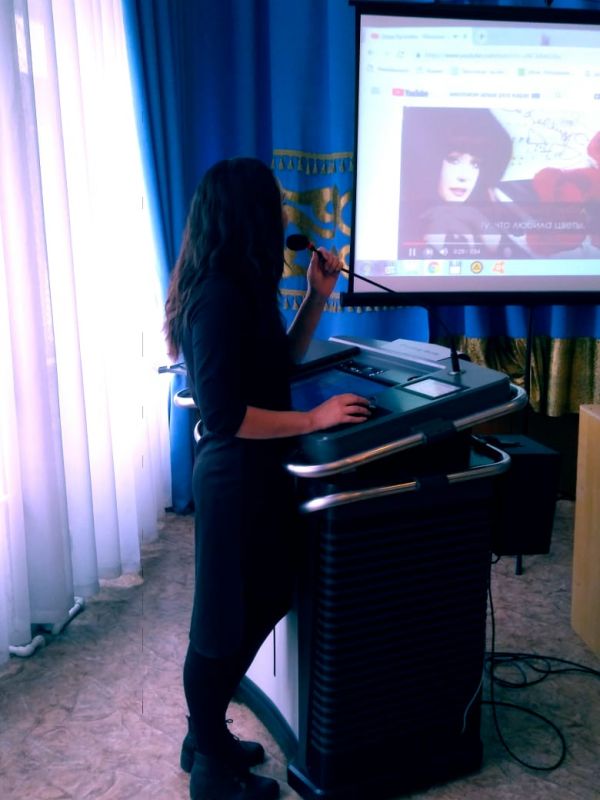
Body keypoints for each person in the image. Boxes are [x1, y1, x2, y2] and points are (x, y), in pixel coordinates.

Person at [163, 157, 371, 800]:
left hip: (256, 474)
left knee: (266, 595)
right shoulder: (216, 297)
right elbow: (226, 415)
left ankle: (205, 737)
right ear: (249, 215)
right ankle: (210, 767)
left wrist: (316, 297)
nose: (283, 216)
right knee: (222, 621)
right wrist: (313, 417)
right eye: (274, 205)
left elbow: (275, 364)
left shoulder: (242, 284)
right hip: (233, 478)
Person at [398, 107, 526, 258]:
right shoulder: (399, 223)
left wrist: (482, 225)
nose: (465, 177)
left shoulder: (479, 216)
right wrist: (433, 243)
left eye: (475, 164)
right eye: (454, 160)